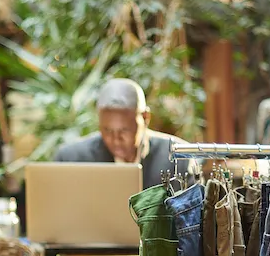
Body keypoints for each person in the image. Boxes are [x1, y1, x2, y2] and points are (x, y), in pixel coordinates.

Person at [53, 78, 185, 189]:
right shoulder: (72, 160)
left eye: (124, 130)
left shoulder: (178, 159)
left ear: (145, 118)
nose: (115, 139)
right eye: (107, 130)